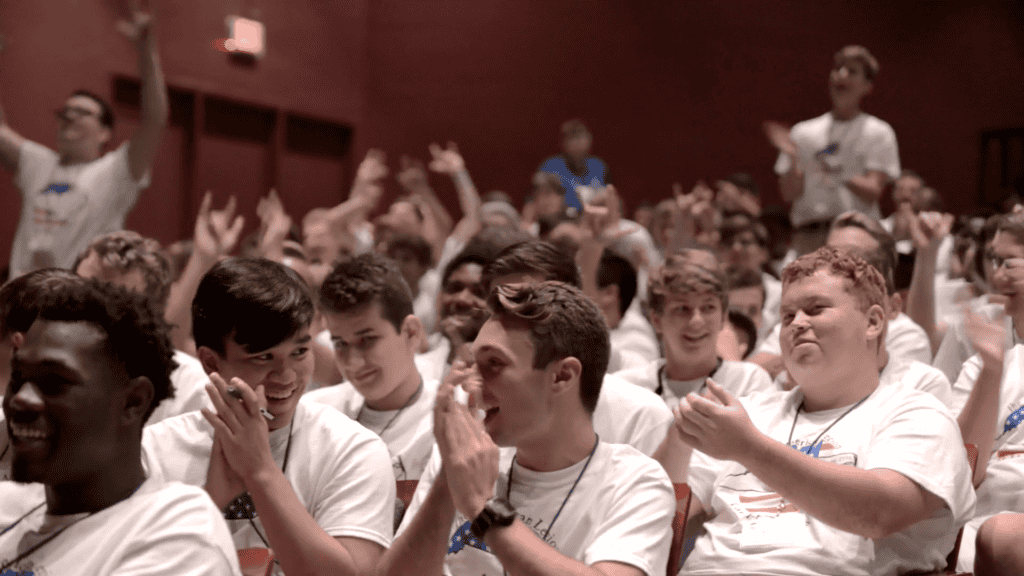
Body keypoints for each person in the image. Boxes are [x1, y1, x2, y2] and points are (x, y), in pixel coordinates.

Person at [677, 247, 975, 575]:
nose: (796, 324)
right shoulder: (748, 412)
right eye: (787, 316)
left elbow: (879, 514)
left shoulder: (917, 413)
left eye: (815, 309)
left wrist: (750, 449)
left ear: (873, 322)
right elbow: (669, 516)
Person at [378, 281, 674, 576]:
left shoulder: (637, 483)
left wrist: (483, 509)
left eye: (493, 364)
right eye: (471, 363)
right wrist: (447, 482)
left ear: (562, 376)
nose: (471, 384)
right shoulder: (464, 461)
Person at [141, 258, 395, 576]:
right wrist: (212, 500)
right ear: (210, 362)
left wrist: (260, 470)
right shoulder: (155, 450)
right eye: (263, 357)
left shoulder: (352, 449)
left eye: (300, 352)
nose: (286, 376)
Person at [0, 277, 241, 574]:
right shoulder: (17, 508)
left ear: (133, 402)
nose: (20, 400)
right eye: (18, 378)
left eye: (54, 382)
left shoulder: (174, 532)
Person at [0, 8, 169, 278]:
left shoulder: (116, 173)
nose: (70, 117)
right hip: (22, 305)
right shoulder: (37, 163)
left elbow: (154, 120)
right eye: (66, 112)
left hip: (76, 310)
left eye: (82, 113)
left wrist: (146, 51)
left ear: (104, 133)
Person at [482, 239, 674, 457]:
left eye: (526, 305)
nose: (509, 322)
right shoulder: (476, 410)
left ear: (571, 306)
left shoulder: (641, 417)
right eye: (498, 308)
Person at [304, 253, 437, 485]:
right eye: (341, 344)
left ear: (411, 333)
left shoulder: (454, 412)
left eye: (367, 340)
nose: (353, 362)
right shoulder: (314, 414)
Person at [765, 45, 900, 258]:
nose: (842, 75)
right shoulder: (803, 132)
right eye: (838, 68)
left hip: (855, 237)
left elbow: (873, 190)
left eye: (852, 71)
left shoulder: (878, 132)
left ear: (867, 86)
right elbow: (789, 194)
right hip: (807, 237)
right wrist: (793, 160)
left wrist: (836, 167)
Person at [71, 230, 211, 424]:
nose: (93, 313)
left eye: (116, 302)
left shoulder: (193, 390)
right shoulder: (42, 370)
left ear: (154, 314)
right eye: (83, 294)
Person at [538, 119, 610, 211]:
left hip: (593, 217)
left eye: (581, 137)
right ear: (563, 142)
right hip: (561, 219)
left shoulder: (599, 165)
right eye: (572, 138)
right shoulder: (550, 166)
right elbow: (535, 201)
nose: (578, 142)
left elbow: (611, 197)